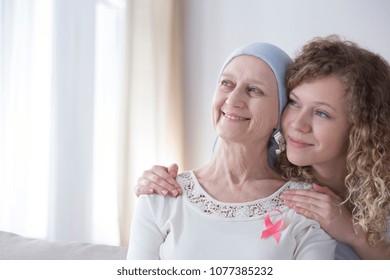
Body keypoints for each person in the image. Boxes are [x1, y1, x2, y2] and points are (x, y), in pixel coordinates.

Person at [134, 36, 390, 259]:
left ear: (360, 128)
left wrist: (353, 233)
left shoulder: (366, 197)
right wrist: (152, 190)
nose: (297, 124)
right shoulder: (279, 172)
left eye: (322, 113)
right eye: (294, 103)